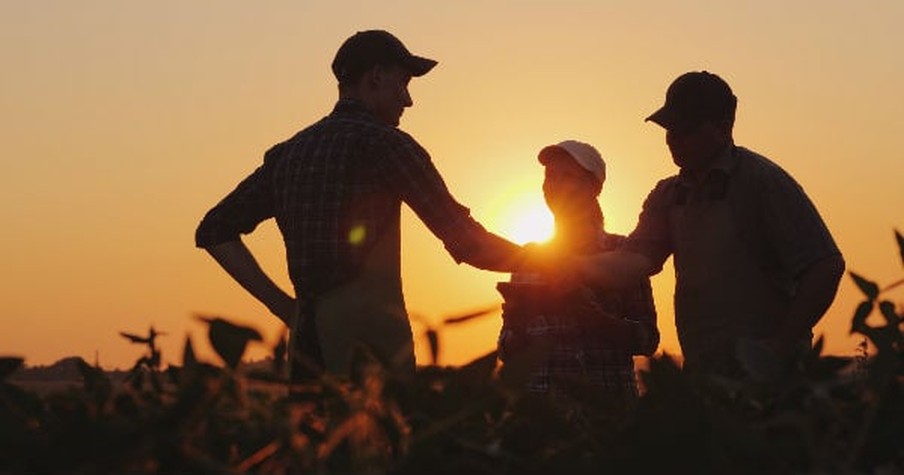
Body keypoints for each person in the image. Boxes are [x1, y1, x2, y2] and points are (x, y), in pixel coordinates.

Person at [195, 30, 527, 380]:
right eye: (403, 84)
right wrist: (552, 264)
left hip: (306, 355)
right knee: (381, 435)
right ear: (375, 78)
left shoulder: (289, 154)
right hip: (373, 362)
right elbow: (468, 243)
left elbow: (215, 230)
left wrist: (283, 308)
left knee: (313, 435)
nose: (408, 100)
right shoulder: (387, 145)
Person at [564, 71, 845, 381]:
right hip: (705, 378)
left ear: (724, 128)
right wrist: (566, 265)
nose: (673, 139)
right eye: (669, 129)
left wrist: (778, 348)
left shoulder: (763, 182)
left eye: (686, 130)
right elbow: (633, 261)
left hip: (773, 382)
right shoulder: (669, 195)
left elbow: (825, 266)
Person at [497, 140, 659, 398]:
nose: (556, 185)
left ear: (594, 187)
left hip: (606, 412)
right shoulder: (528, 257)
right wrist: (517, 324)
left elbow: (647, 339)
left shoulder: (623, 253)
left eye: (568, 176)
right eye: (550, 176)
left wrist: (592, 316)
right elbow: (506, 351)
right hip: (540, 414)